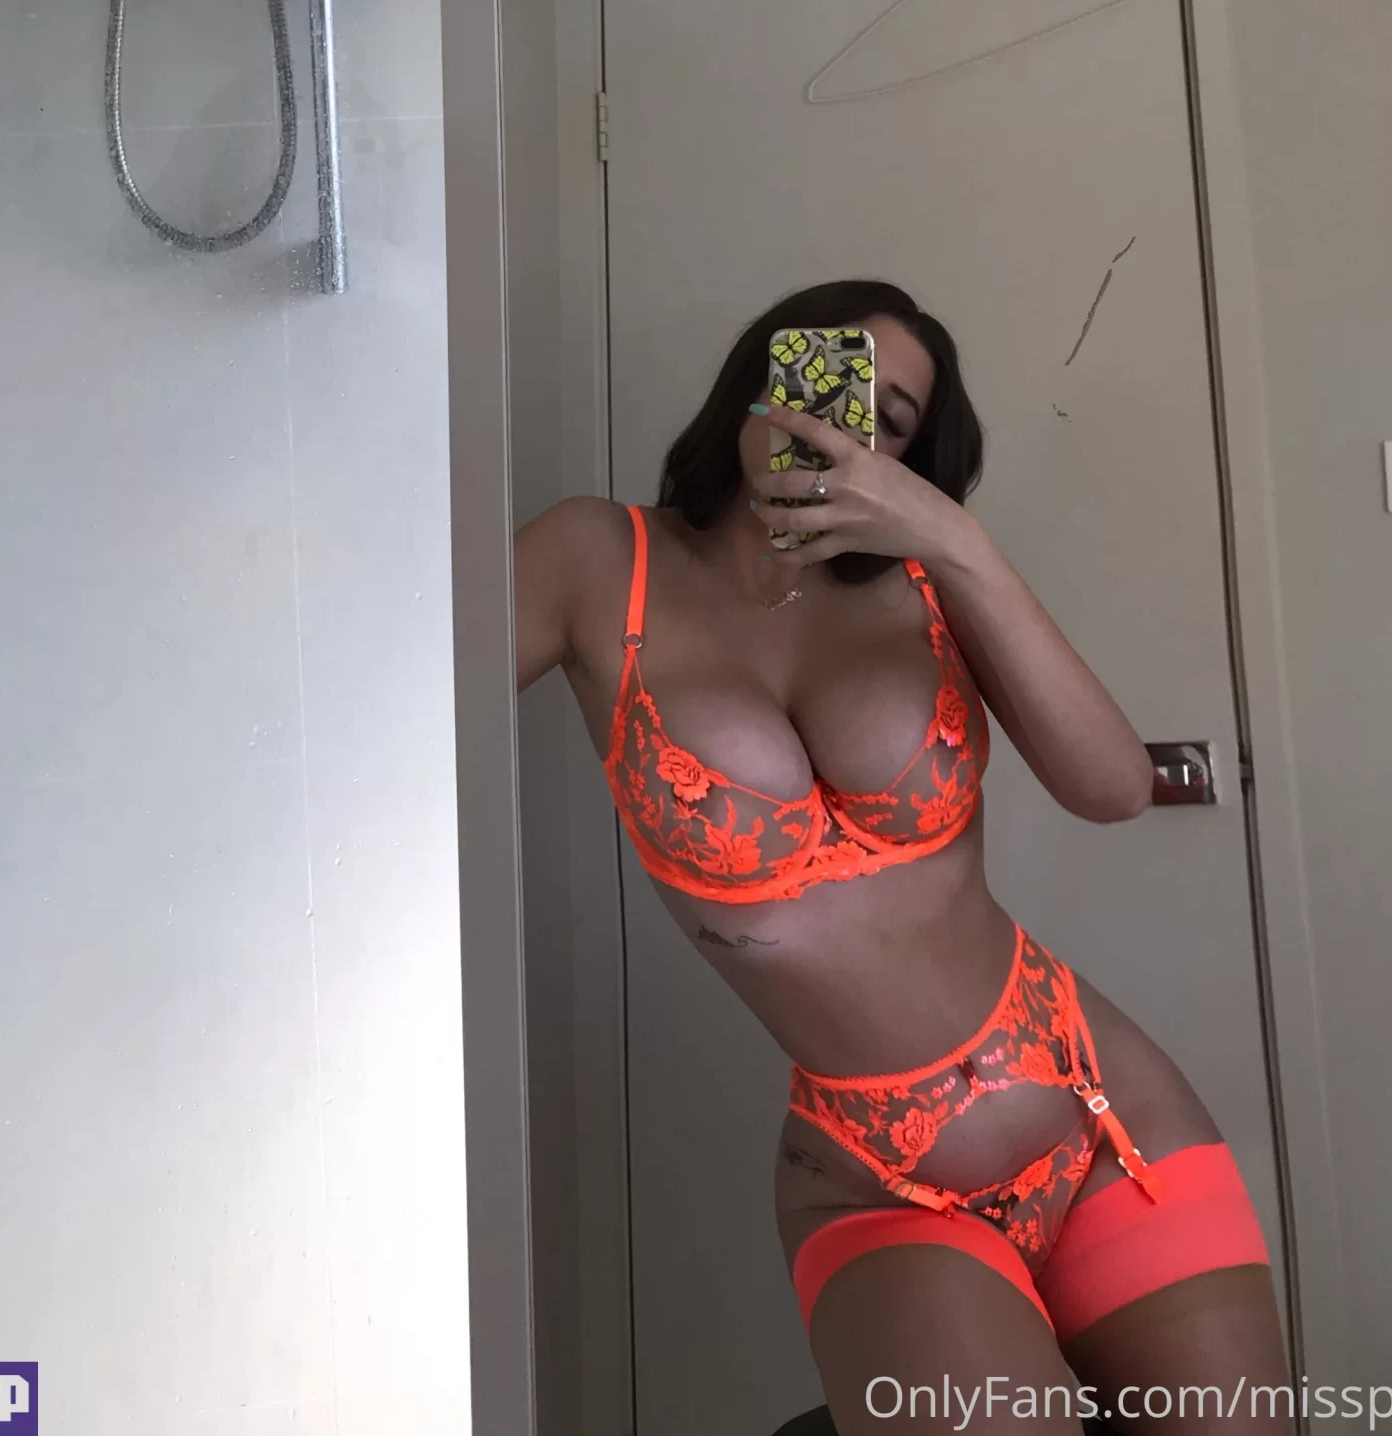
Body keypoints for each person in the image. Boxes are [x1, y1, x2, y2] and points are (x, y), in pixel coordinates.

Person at [516, 278, 1287, 1433]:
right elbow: (380, 686)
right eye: (831, 385)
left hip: (1101, 1111)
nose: (845, 429)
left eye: (886, 421)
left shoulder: (924, 580)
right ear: (755, 386)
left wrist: (950, 538)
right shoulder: (597, 556)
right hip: (875, 1181)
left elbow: (1110, 786)